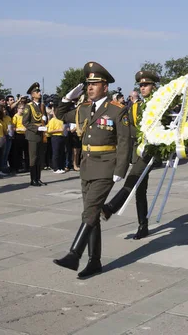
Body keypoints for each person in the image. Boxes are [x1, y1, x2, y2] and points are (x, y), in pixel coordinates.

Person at [53, 62, 130, 278]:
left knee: (91, 210)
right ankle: (94, 261)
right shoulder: (84, 108)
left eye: (95, 84)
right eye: (88, 84)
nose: (90, 87)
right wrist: (68, 98)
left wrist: (120, 169)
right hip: (87, 166)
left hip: (106, 166)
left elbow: (125, 141)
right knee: (93, 214)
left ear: (105, 87)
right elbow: (61, 115)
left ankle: (74, 254)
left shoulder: (117, 110)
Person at [101, 70, 161, 239]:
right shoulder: (135, 107)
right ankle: (143, 225)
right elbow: (127, 128)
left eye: (146, 85)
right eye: (141, 85)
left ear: (153, 87)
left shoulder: (160, 106)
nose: (143, 88)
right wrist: (140, 133)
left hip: (150, 152)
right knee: (140, 190)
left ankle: (110, 207)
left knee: (133, 179)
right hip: (137, 151)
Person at [22, 82, 48, 186]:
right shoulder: (29, 106)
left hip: (42, 135)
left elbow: (43, 119)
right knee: (33, 158)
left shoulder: (42, 106)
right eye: (37, 92)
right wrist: (37, 128)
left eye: (39, 91)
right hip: (33, 135)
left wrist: (45, 121)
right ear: (32, 95)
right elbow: (25, 122)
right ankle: (33, 179)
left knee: (40, 158)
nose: (39, 93)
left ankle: (38, 178)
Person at [47, 109, 66, 173]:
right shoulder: (53, 120)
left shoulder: (61, 120)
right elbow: (49, 131)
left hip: (61, 136)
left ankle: (60, 167)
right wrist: (59, 130)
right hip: (55, 137)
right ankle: (55, 168)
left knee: (61, 153)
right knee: (56, 153)